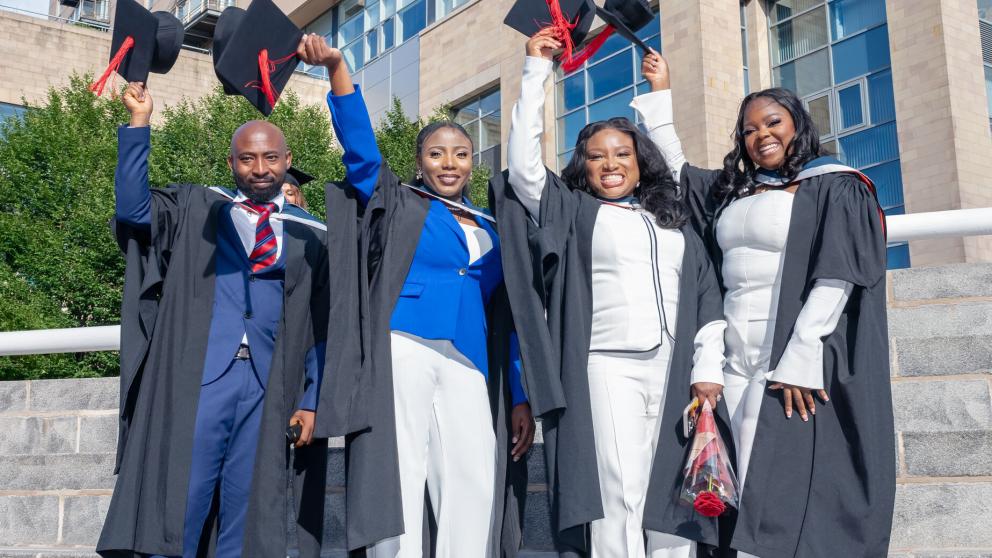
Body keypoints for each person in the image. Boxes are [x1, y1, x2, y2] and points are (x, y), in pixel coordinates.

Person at [632, 51, 896, 558]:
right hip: (734, 354)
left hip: (789, 353)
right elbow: (678, 171)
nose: (761, 136)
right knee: (732, 471)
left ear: (798, 125)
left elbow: (837, 272)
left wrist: (802, 354)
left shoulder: (834, 184)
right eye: (749, 130)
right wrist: (661, 92)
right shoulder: (734, 192)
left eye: (773, 122)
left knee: (777, 474)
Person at [296, 34, 535, 557]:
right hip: (403, 341)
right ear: (420, 160)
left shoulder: (494, 223)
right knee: (400, 465)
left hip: (469, 355)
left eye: (461, 153)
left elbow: (509, 314)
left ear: (473, 160)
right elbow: (359, 151)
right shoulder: (401, 203)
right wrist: (338, 68)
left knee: (473, 470)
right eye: (436, 153)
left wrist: (519, 394)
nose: (449, 163)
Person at [495, 29, 729, 558]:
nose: (610, 164)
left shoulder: (673, 223)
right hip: (607, 365)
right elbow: (527, 170)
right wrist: (536, 71)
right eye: (597, 156)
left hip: (674, 369)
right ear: (585, 165)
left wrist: (707, 368)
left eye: (622, 153)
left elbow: (706, 297)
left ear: (640, 160)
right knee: (618, 490)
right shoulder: (574, 212)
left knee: (676, 488)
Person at [97, 79, 329, 558]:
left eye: (269, 158)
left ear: (287, 163)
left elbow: (324, 323)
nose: (259, 168)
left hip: (270, 383)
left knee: (248, 512)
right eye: (247, 158)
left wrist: (311, 397)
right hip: (202, 374)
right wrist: (139, 124)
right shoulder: (198, 207)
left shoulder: (311, 236)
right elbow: (134, 208)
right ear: (231, 163)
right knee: (179, 500)